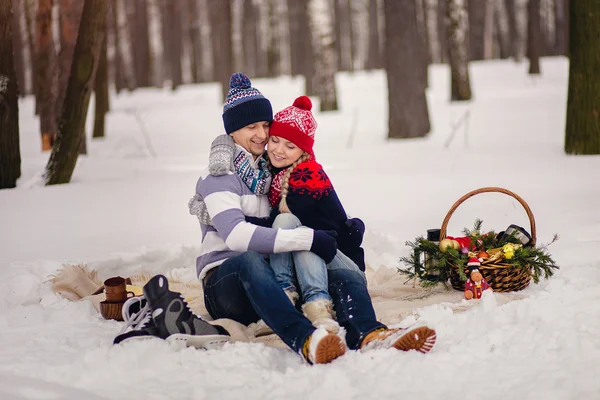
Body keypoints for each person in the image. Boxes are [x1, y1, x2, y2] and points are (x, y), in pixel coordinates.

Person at [200, 95, 367, 334]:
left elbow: (279, 224)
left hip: (330, 257)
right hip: (236, 276)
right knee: (295, 236)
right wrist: (221, 215)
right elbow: (239, 234)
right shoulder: (250, 172)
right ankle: (295, 305)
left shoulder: (295, 174)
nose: (263, 136)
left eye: (265, 126)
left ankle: (326, 314)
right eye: (252, 127)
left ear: (302, 150)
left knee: (294, 230)